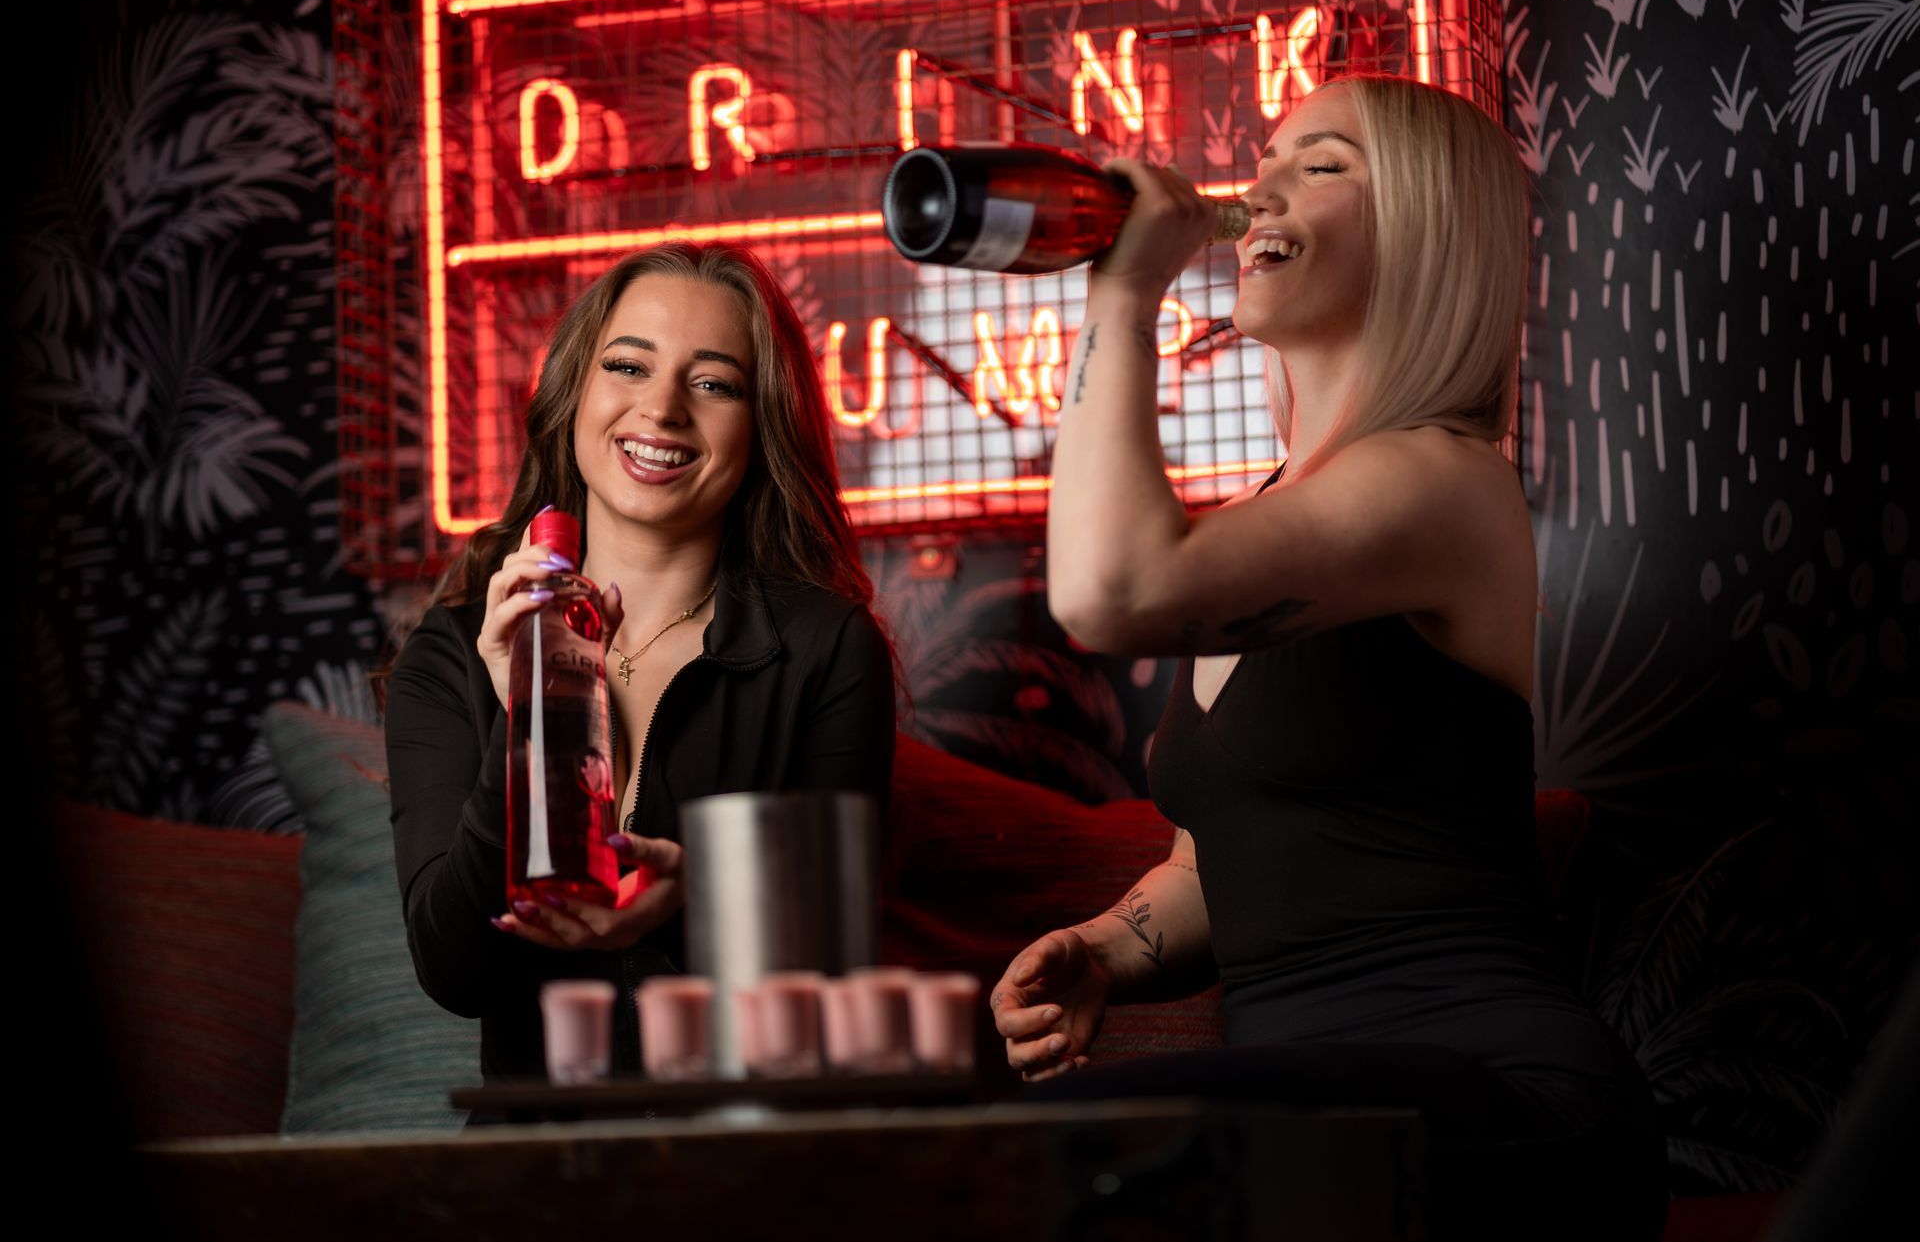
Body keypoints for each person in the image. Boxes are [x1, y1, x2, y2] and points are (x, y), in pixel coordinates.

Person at [989, 75, 1668, 1239]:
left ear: (1425, 231)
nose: (1259, 185)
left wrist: (1122, 296)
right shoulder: (1263, 527)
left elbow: (1110, 590)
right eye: (1268, 157)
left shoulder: (1443, 479)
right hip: (1316, 1124)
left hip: (1496, 1102)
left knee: (1037, 1162)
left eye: (1324, 163)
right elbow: (1222, 863)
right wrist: (1107, 949)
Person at [384, 241, 896, 1085]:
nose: (661, 409)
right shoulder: (452, 655)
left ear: (760, 427)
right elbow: (455, 969)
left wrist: (699, 892)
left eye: (714, 382)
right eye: (628, 365)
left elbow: (835, 963)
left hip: (752, 1164)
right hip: (537, 1177)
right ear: (572, 393)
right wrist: (530, 705)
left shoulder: (826, 646)